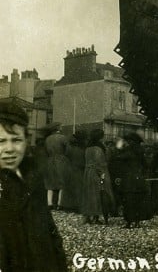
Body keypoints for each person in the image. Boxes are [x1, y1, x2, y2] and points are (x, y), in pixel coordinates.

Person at [0, 101, 67, 271]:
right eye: (1, 141)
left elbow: (50, 234)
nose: (9, 149)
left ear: (26, 141)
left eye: (16, 140)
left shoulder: (32, 179)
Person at [80, 128, 115, 224]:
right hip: (97, 173)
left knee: (89, 194)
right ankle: (96, 217)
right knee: (99, 194)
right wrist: (103, 175)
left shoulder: (87, 147)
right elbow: (100, 163)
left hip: (88, 173)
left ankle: (87, 216)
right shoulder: (99, 148)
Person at [116, 132, 148, 228]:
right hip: (139, 178)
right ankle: (137, 221)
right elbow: (145, 165)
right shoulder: (140, 151)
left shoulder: (128, 150)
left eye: (128, 140)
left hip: (129, 179)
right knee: (138, 199)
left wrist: (119, 145)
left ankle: (129, 221)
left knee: (128, 199)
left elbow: (118, 158)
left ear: (131, 141)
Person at [43, 124, 70, 210]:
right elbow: (68, 150)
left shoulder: (47, 139)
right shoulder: (63, 138)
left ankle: (49, 203)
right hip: (61, 160)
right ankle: (59, 204)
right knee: (62, 182)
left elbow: (45, 151)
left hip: (50, 160)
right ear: (58, 129)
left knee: (50, 183)